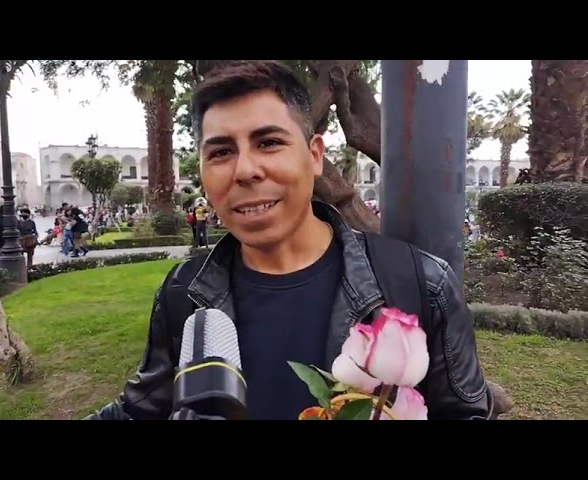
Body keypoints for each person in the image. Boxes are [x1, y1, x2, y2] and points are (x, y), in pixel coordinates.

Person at [86, 60, 491, 421]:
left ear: (315, 155)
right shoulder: (183, 295)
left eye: (269, 143)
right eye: (221, 152)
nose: (245, 170)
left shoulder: (419, 284)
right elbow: (139, 411)